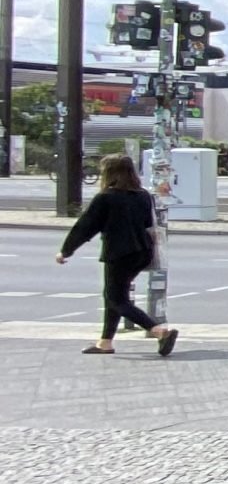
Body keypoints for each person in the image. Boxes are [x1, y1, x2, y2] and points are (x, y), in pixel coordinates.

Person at [56, 153, 178, 357]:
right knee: (113, 295)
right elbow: (148, 225)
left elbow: (85, 227)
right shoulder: (142, 195)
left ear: (109, 173)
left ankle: (158, 331)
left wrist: (66, 250)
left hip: (119, 253)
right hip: (142, 252)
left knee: (116, 298)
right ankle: (105, 342)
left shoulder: (106, 197)